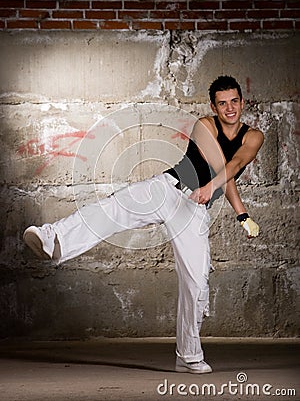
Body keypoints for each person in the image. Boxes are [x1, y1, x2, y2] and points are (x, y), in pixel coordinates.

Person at [23, 75, 264, 374]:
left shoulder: (254, 136)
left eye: (234, 101)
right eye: (222, 103)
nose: (230, 108)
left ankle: (188, 356)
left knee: (197, 283)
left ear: (242, 102)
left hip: (195, 210)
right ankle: (54, 239)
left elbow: (235, 165)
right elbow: (219, 166)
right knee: (114, 207)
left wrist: (241, 214)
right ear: (213, 107)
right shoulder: (204, 125)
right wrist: (211, 186)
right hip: (167, 189)